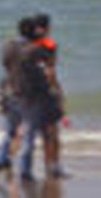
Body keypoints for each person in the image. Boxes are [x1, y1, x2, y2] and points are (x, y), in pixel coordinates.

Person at [13, 14, 65, 182]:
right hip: (44, 93)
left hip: (24, 93)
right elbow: (50, 70)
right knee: (51, 132)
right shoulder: (49, 45)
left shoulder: (23, 45)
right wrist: (58, 91)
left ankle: (12, 162)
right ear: (48, 27)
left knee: (26, 131)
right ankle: (53, 167)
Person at [0, 16, 33, 184]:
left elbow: (5, 64)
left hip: (8, 91)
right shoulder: (33, 48)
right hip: (26, 94)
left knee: (10, 131)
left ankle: (1, 159)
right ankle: (25, 171)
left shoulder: (8, 46)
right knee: (28, 133)